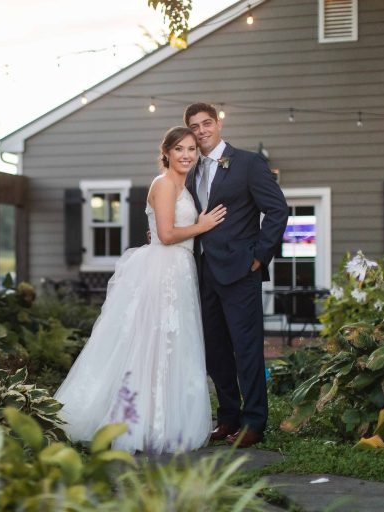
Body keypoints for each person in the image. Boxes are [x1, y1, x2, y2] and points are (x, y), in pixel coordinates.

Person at [54, 127, 226, 453]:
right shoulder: (162, 184)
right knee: (149, 343)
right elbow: (165, 233)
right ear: (167, 152)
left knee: (172, 345)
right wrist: (201, 226)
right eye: (179, 149)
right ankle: (138, 421)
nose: (187, 154)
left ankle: (163, 418)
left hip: (180, 270)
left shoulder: (182, 186)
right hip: (163, 270)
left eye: (191, 148)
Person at [184, 103, 288, 448]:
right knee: (215, 350)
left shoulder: (247, 163)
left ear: (218, 123)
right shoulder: (191, 169)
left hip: (241, 271)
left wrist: (259, 256)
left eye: (206, 123)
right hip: (202, 273)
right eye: (195, 126)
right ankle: (228, 417)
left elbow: (277, 209)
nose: (201, 131)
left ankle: (254, 421)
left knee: (246, 350)